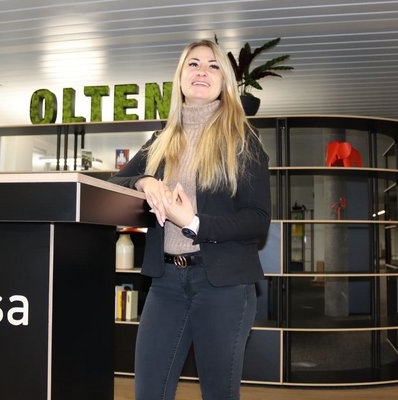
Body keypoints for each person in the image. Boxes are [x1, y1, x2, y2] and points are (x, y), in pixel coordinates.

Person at [108, 39, 271, 400]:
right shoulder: (160, 141)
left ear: (224, 81)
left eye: (213, 66)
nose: (202, 71)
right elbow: (111, 185)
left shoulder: (243, 140)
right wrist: (143, 181)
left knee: (218, 393)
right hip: (165, 282)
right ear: (180, 77)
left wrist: (194, 222)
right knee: (148, 393)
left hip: (224, 286)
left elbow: (258, 220)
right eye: (193, 64)